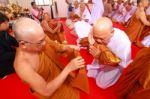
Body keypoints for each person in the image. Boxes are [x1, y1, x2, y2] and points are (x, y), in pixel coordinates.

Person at [13, 18, 89, 99]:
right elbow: (46, 91)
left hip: (61, 75)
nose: (45, 43)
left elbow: (57, 47)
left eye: (44, 38)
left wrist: (69, 47)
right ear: (23, 44)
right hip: (53, 91)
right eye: (40, 42)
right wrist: (68, 69)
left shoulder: (39, 39)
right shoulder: (22, 66)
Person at [87, 17, 131, 89]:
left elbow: (119, 63)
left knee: (101, 84)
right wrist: (93, 45)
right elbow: (93, 42)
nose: (98, 41)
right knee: (91, 74)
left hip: (115, 63)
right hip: (100, 56)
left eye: (101, 38)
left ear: (112, 32)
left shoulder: (123, 43)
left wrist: (99, 56)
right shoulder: (95, 31)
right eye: (95, 37)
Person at [0, 12, 18, 78]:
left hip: (10, 59)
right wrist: (17, 52)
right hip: (4, 67)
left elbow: (12, 40)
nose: (8, 24)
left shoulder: (4, 32)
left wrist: (21, 44)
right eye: (6, 22)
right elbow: (2, 56)